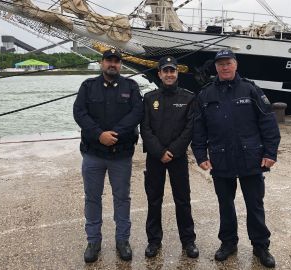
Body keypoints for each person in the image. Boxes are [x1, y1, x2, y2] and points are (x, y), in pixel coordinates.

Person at [191, 49, 281, 268]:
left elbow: (268, 122)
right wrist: (201, 155)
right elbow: (198, 129)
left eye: (228, 63)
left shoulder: (251, 90)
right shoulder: (205, 94)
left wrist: (270, 153)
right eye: (220, 64)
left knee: (255, 205)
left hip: (251, 158)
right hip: (221, 159)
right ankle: (228, 243)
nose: (224, 67)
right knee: (225, 205)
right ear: (215, 67)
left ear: (236, 65)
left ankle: (261, 246)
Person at [73, 48, 143, 263]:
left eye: (116, 61)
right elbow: (79, 113)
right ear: (101, 63)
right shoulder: (88, 86)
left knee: (122, 198)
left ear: (120, 65)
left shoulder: (130, 86)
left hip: (120, 155)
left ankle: (122, 240)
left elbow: (137, 113)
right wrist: (99, 134)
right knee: (92, 199)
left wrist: (116, 134)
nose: (112, 64)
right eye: (108, 60)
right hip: (93, 154)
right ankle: (93, 241)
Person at [140, 56, 199, 258]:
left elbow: (190, 128)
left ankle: (188, 241)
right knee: (154, 200)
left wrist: (173, 151)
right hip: (155, 158)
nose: (169, 74)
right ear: (159, 74)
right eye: (165, 71)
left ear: (177, 73)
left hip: (178, 157)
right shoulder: (149, 98)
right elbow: (145, 128)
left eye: (172, 70)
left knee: (182, 200)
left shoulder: (188, 98)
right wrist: (159, 152)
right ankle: (154, 241)